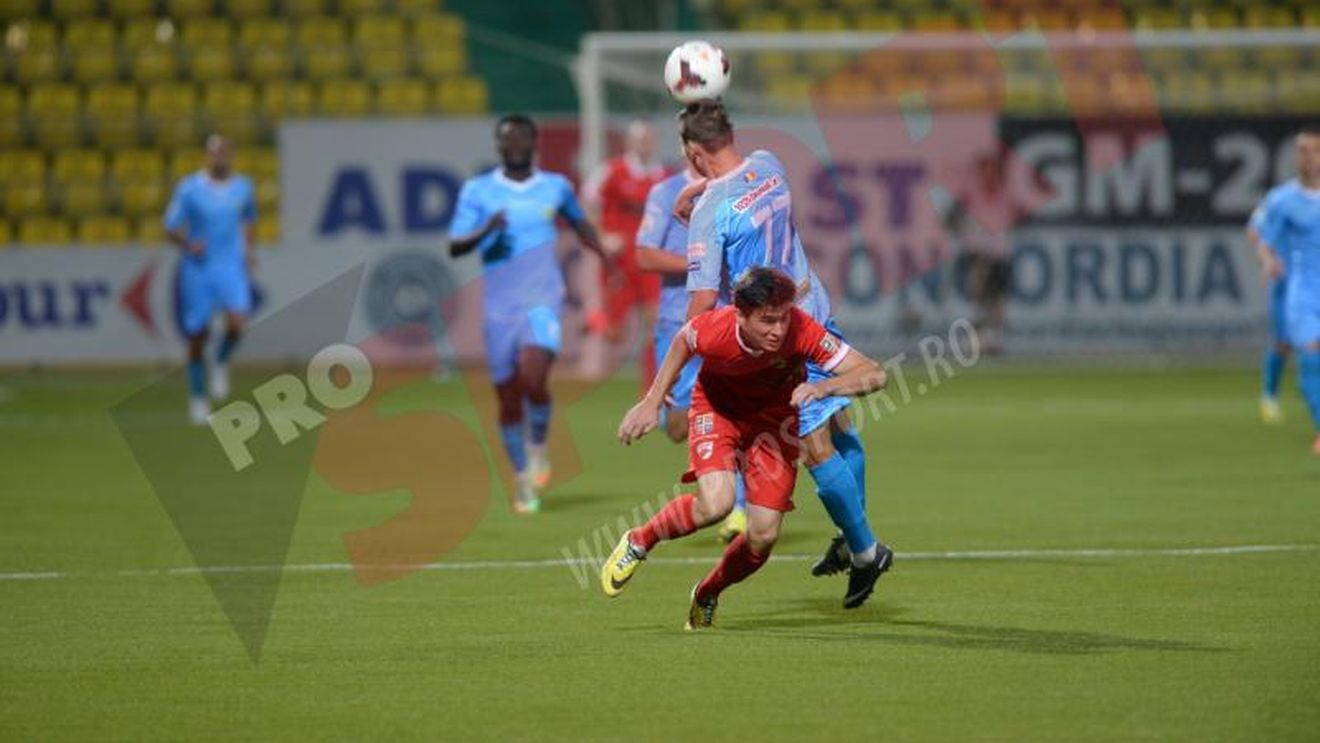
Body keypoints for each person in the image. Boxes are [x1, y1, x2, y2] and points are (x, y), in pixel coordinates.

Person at [673, 100, 890, 600]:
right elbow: (740, 185)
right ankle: (852, 538)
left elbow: (702, 307)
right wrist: (700, 189)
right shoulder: (769, 164)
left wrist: (692, 364)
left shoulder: (710, 213)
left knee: (812, 444)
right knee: (840, 424)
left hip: (781, 332)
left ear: (694, 151)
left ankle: (865, 550)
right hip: (813, 302)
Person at [604, 268, 890, 629]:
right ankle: (639, 541)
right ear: (741, 315)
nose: (778, 329)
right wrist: (652, 400)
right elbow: (683, 341)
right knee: (717, 504)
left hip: (774, 425)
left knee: (764, 535)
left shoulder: (802, 329)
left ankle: (708, 592)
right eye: (767, 321)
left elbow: (876, 374)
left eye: (782, 318)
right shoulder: (717, 329)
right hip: (718, 412)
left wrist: (825, 387)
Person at [449, 114, 612, 512]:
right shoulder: (478, 191)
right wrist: (487, 229)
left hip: (543, 300)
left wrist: (607, 259)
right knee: (508, 399)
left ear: (534, 143)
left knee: (534, 375)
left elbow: (580, 224)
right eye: (509, 139)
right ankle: (522, 479)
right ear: (499, 145)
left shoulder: (555, 186)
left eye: (523, 138)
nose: (516, 145)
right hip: (500, 309)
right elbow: (455, 245)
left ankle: (537, 444)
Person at [635, 164, 748, 542]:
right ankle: (728, 497)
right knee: (677, 427)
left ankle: (737, 507)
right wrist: (701, 263)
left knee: (734, 410)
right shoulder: (665, 192)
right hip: (677, 322)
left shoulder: (740, 187)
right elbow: (644, 256)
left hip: (727, 320)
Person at [164, 134, 257, 426]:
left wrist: (248, 252)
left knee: (238, 323)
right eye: (215, 153)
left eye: (224, 152)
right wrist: (188, 245)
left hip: (230, 266)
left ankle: (221, 360)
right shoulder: (190, 189)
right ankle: (198, 397)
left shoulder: (243, 188)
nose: (220, 158)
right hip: (199, 268)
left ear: (231, 155)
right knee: (197, 334)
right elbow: (170, 228)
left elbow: (249, 219)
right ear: (207, 156)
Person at [580, 120, 668, 383]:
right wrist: (601, 236)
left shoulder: (662, 175)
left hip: (650, 257)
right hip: (619, 260)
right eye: (639, 139)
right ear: (629, 142)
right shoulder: (612, 170)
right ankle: (596, 320)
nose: (644, 145)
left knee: (655, 320)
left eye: (648, 139)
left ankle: (652, 385)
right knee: (614, 333)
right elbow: (586, 201)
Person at [1254, 124, 1320, 456]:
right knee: (1308, 353)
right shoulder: (1282, 200)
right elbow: (1263, 238)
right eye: (1302, 151)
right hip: (1303, 291)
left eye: (1316, 150)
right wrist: (1268, 261)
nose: (1309, 157)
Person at [944, 151, 1018, 356]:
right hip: (978, 253)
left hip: (1000, 254)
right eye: (984, 171)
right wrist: (964, 229)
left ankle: (993, 338)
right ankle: (977, 338)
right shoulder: (969, 196)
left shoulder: (1005, 195)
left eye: (991, 171)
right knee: (978, 295)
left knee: (997, 299)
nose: (988, 175)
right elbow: (950, 219)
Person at [1249, 185, 1294, 424]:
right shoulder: (1282, 197)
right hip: (1287, 281)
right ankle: (1269, 397)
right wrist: (1269, 259)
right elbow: (1254, 229)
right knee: (1283, 342)